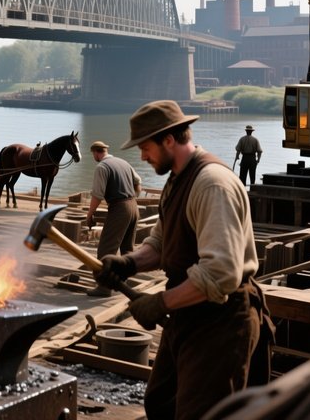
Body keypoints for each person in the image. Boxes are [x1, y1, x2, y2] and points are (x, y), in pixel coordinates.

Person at [96, 100, 273, 420]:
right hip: (188, 311)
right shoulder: (178, 179)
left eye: (145, 147)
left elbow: (220, 273)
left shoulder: (212, 184)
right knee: (161, 402)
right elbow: (161, 243)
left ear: (168, 140)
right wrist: (128, 264)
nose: (142, 156)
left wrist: (160, 303)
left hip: (222, 320)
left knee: (202, 413)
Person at [85, 140, 142, 297]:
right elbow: (138, 183)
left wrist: (89, 214)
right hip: (133, 206)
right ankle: (123, 284)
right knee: (127, 249)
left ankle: (104, 288)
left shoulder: (102, 167)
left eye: (93, 154)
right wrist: (132, 198)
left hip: (119, 208)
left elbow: (97, 195)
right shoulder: (123, 162)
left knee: (106, 249)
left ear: (96, 153)